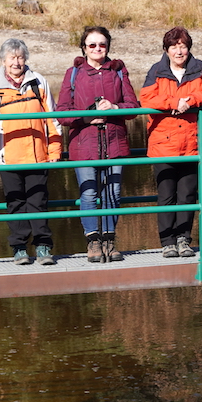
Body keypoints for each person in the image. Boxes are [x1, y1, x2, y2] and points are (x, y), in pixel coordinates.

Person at [0, 39, 62, 265]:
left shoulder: (38, 82)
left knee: (39, 201)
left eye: (20, 57)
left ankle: (43, 246)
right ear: (3, 60)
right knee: (15, 204)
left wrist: (55, 149)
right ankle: (19, 248)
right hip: (8, 159)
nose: (16, 62)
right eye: (12, 57)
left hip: (38, 157)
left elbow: (53, 119)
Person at [57, 26, 139, 263]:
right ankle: (93, 241)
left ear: (108, 46)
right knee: (90, 192)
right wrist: (84, 117)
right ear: (84, 47)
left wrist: (115, 108)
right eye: (92, 45)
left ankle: (110, 240)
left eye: (101, 44)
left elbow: (134, 107)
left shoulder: (118, 71)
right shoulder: (73, 73)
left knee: (112, 192)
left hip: (114, 142)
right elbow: (61, 113)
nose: (97, 49)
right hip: (84, 144)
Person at [140, 27, 202, 258]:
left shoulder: (200, 68)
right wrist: (174, 102)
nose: (179, 51)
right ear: (166, 50)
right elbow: (146, 98)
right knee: (166, 196)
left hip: (191, 144)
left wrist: (192, 100)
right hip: (162, 145)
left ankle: (184, 239)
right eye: (174, 46)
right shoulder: (156, 71)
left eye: (183, 46)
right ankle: (167, 241)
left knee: (187, 195)